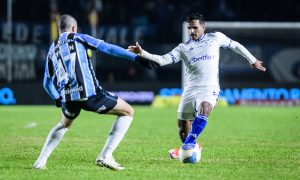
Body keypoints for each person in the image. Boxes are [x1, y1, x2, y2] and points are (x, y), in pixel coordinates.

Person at [128, 13, 266, 159]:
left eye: (195, 27)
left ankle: (189, 143)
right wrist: (142, 52)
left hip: (209, 88)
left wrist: (252, 60)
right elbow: (162, 60)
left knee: (205, 108)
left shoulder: (215, 37)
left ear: (203, 27)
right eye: (189, 28)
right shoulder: (183, 48)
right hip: (190, 90)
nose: (191, 31)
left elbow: (235, 45)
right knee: (182, 128)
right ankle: (192, 146)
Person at [33, 14, 150, 171]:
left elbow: (46, 82)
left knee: (64, 124)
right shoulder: (78, 37)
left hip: (68, 96)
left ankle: (40, 162)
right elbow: (107, 48)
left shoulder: (52, 49)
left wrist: (57, 98)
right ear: (74, 28)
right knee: (128, 111)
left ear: (58, 29)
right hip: (89, 93)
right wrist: (135, 58)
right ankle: (105, 155)